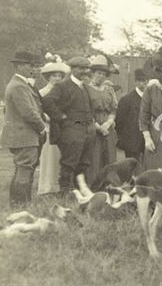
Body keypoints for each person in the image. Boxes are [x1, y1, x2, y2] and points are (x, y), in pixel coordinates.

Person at [42, 56, 96, 195]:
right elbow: (47, 101)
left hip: (87, 131)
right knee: (69, 162)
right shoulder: (62, 86)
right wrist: (61, 117)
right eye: (80, 68)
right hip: (71, 131)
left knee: (84, 162)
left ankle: (79, 192)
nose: (84, 71)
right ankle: (64, 193)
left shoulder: (85, 87)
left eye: (86, 68)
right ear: (72, 70)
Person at [0, 51, 46, 206]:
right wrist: (42, 127)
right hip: (24, 135)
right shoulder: (19, 86)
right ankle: (21, 205)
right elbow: (28, 112)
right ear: (18, 66)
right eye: (28, 65)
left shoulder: (18, 84)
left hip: (21, 134)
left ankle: (18, 203)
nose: (31, 68)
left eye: (32, 65)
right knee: (24, 169)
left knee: (21, 169)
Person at [37, 57, 70, 195]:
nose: (57, 78)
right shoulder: (42, 92)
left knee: (61, 157)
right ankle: (47, 187)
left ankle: (59, 187)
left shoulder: (64, 92)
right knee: (49, 157)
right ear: (48, 77)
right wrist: (49, 118)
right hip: (49, 128)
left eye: (59, 76)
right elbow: (38, 112)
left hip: (63, 128)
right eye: (54, 76)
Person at [87, 54, 118, 184]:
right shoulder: (86, 89)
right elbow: (85, 111)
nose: (100, 76)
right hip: (92, 126)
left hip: (108, 126)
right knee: (94, 157)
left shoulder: (109, 89)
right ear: (93, 73)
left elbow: (113, 109)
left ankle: (109, 185)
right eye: (98, 73)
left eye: (103, 74)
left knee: (110, 155)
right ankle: (93, 185)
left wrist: (108, 124)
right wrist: (98, 127)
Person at [116, 68, 148, 161]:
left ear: (148, 81)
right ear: (135, 81)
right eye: (139, 80)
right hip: (132, 140)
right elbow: (119, 122)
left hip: (147, 139)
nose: (142, 83)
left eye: (144, 80)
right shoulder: (126, 99)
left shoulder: (151, 98)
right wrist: (125, 138)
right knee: (131, 166)